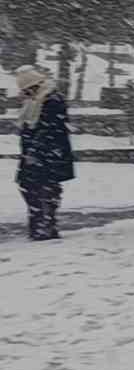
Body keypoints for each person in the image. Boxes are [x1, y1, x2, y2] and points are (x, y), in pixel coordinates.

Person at [13, 66, 74, 241]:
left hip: (47, 154)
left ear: (35, 85)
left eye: (26, 90)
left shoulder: (51, 100)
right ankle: (41, 225)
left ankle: (45, 227)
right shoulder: (34, 101)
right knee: (31, 187)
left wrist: (34, 151)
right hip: (37, 153)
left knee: (44, 189)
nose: (25, 94)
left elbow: (49, 129)